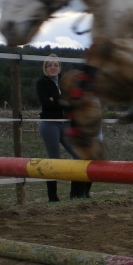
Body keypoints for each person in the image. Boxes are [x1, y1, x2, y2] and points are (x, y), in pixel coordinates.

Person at [36, 54, 92, 200]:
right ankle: (52, 197)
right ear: (45, 68)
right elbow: (46, 104)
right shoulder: (41, 83)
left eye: (55, 65)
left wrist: (55, 98)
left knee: (80, 155)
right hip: (49, 124)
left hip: (66, 123)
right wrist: (62, 100)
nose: (53, 67)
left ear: (60, 67)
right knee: (54, 159)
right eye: (49, 65)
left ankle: (77, 194)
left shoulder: (65, 82)